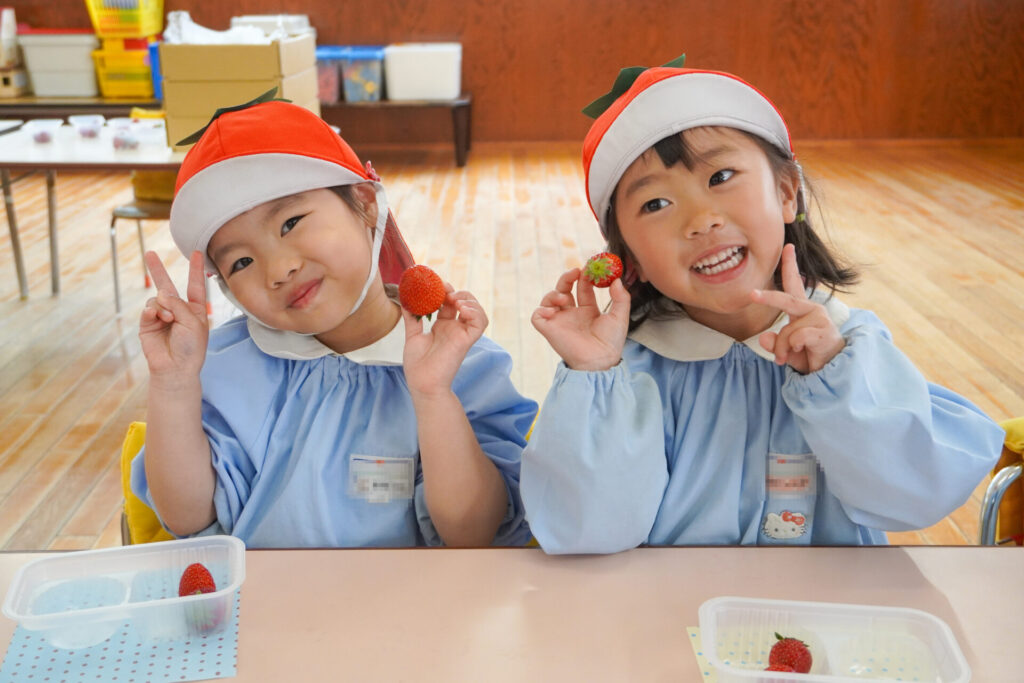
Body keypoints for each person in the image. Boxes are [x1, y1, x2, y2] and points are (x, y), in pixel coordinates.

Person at [519, 59, 1005, 553]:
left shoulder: (849, 350)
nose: (701, 220)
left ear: (787, 191)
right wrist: (594, 374)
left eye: (721, 176)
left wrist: (835, 381)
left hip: (830, 602)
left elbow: (913, 499)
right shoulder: (625, 376)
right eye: (656, 204)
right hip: (671, 602)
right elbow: (588, 534)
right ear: (630, 260)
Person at [130, 96, 536, 548]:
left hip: (415, 595)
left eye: (290, 223)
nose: (278, 270)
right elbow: (187, 518)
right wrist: (173, 384)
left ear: (365, 203)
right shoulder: (225, 369)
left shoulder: (460, 360)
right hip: (267, 592)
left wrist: (433, 396)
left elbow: (472, 533)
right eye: (241, 262)